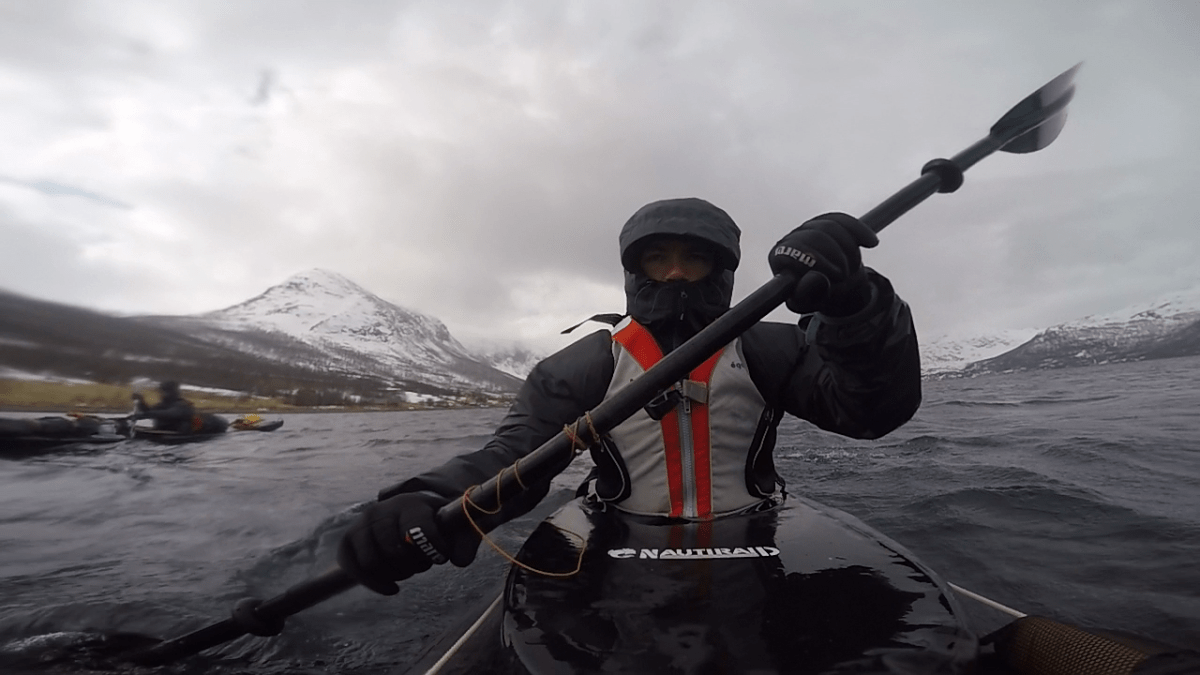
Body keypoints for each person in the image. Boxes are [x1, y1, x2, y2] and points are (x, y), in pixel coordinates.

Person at [337, 197, 921, 596]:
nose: (675, 273)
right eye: (657, 257)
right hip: (623, 529)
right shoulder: (585, 364)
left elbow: (871, 411)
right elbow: (513, 457)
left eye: (695, 257)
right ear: (633, 269)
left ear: (722, 269)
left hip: (753, 525)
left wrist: (855, 305)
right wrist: (430, 498)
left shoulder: (772, 347)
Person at [130, 380, 197, 433]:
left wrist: (144, 415)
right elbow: (149, 411)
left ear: (172, 392)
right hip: (163, 432)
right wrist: (141, 401)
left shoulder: (182, 405)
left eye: (164, 392)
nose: (161, 394)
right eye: (161, 392)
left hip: (177, 436)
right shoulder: (164, 404)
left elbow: (167, 414)